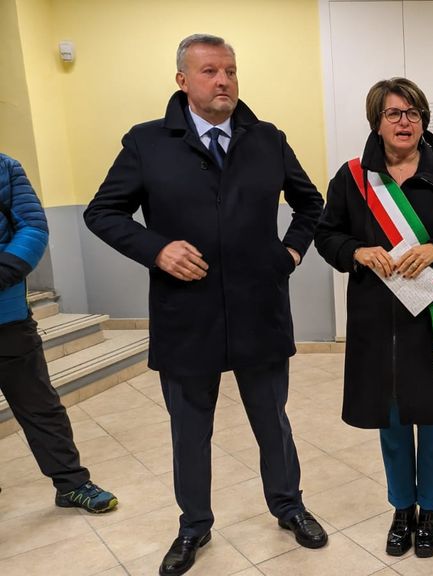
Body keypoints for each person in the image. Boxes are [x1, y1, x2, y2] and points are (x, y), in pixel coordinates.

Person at [84, 34, 326, 576]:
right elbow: (102, 212)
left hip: (259, 307)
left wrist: (288, 254)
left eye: (231, 71)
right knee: (190, 430)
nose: (224, 81)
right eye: (210, 71)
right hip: (186, 314)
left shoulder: (267, 139)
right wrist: (156, 249)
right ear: (182, 80)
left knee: (273, 420)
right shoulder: (147, 142)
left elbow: (311, 205)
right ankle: (194, 524)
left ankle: (288, 506)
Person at [315, 77, 433, 558]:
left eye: (413, 113)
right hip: (378, 321)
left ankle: (430, 509)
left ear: (423, 120)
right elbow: (327, 236)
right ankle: (401, 507)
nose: (405, 122)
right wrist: (356, 251)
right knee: (390, 418)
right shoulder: (352, 178)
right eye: (393, 113)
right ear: (377, 121)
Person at [0, 153, 118, 513]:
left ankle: (72, 484)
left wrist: (2, 273)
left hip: (8, 318)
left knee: (39, 405)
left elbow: (33, 228)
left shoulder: (6, 168)